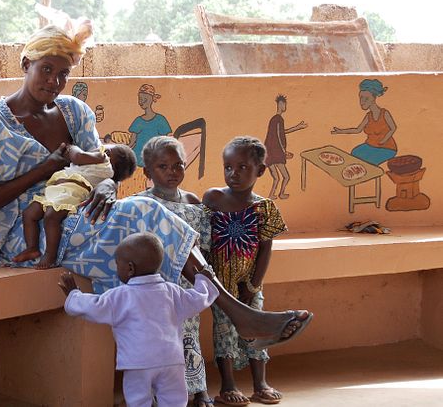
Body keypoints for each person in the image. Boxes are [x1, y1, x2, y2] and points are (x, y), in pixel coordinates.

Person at [0, 20, 312, 349]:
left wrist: (108, 184)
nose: (54, 82)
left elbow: (105, 165)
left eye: (63, 74)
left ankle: (182, 364)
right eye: (46, 70)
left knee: (151, 236)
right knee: (147, 213)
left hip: (79, 213)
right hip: (23, 233)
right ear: (25, 64)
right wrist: (44, 169)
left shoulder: (74, 111)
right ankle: (237, 317)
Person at [59, 232, 218, 407]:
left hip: (138, 363)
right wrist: (203, 280)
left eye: (117, 263)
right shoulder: (172, 291)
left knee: (138, 400)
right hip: (172, 360)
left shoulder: (120, 296)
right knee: (174, 400)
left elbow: (93, 306)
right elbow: (198, 299)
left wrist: (74, 295)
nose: (116, 267)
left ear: (130, 268)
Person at [203, 136, 288, 406]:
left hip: (250, 283)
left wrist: (252, 287)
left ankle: (260, 383)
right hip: (220, 284)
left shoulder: (265, 208)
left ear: (260, 171)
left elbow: (265, 250)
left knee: (256, 329)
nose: (233, 173)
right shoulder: (213, 198)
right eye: (228, 167)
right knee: (224, 330)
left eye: (242, 167)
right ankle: (228, 385)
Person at [135, 136, 214, 407]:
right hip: (156, 284)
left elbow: (203, 243)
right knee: (160, 339)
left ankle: (199, 389)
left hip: (187, 283)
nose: (172, 172)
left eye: (178, 165)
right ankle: (157, 394)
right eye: (163, 166)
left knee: (190, 335)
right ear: (147, 172)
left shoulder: (193, 202)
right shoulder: (140, 204)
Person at [13, 143, 136, 268]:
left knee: (51, 217)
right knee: (29, 213)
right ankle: (32, 248)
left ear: (108, 154)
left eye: (102, 147)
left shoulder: (102, 158)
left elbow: (78, 156)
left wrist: (71, 147)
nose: (97, 148)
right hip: (54, 191)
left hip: (71, 191)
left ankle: (50, 255)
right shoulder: (101, 171)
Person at [331, 79, 398, 166]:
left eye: (366, 98)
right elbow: (357, 130)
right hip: (370, 145)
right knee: (355, 153)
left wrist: (384, 140)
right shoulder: (368, 116)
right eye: (361, 98)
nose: (362, 102)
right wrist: (341, 131)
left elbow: (393, 128)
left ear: (374, 98)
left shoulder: (384, 113)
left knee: (367, 163)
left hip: (386, 148)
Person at [264, 94, 307, 200]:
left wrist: (297, 127)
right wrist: (284, 152)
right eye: (284, 104)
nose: (285, 107)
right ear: (281, 104)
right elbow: (279, 136)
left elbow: (281, 132)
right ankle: (281, 194)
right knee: (286, 177)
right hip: (276, 153)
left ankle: (271, 195)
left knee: (276, 178)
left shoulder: (274, 119)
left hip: (268, 153)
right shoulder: (278, 119)